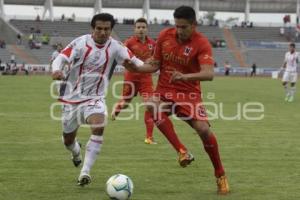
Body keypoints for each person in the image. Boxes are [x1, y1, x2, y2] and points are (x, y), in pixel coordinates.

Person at [124, 6, 230, 195]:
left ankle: (220, 174)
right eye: (177, 26)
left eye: (184, 27)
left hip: (189, 93)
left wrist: (185, 77)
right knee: (150, 104)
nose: (179, 31)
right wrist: (135, 68)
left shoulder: (202, 43)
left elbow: (209, 74)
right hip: (165, 89)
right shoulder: (165, 35)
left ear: (194, 25)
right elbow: (155, 64)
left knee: (203, 130)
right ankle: (182, 151)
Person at [51, 13, 144, 186]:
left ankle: (85, 173)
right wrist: (56, 70)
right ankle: (76, 152)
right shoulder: (80, 43)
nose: (102, 32)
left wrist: (154, 66)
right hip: (71, 99)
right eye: (99, 29)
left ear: (111, 30)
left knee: (99, 126)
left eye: (106, 29)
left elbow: (136, 62)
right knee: (68, 140)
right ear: (93, 29)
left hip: (95, 98)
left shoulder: (116, 47)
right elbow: (61, 58)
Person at [111, 18, 156, 144]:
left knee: (150, 105)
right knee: (126, 103)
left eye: (143, 27)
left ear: (147, 29)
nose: (141, 29)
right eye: (138, 27)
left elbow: (156, 58)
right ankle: (118, 108)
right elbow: (122, 56)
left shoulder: (153, 43)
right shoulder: (129, 42)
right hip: (131, 77)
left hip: (146, 78)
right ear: (135, 29)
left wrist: (151, 61)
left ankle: (149, 137)